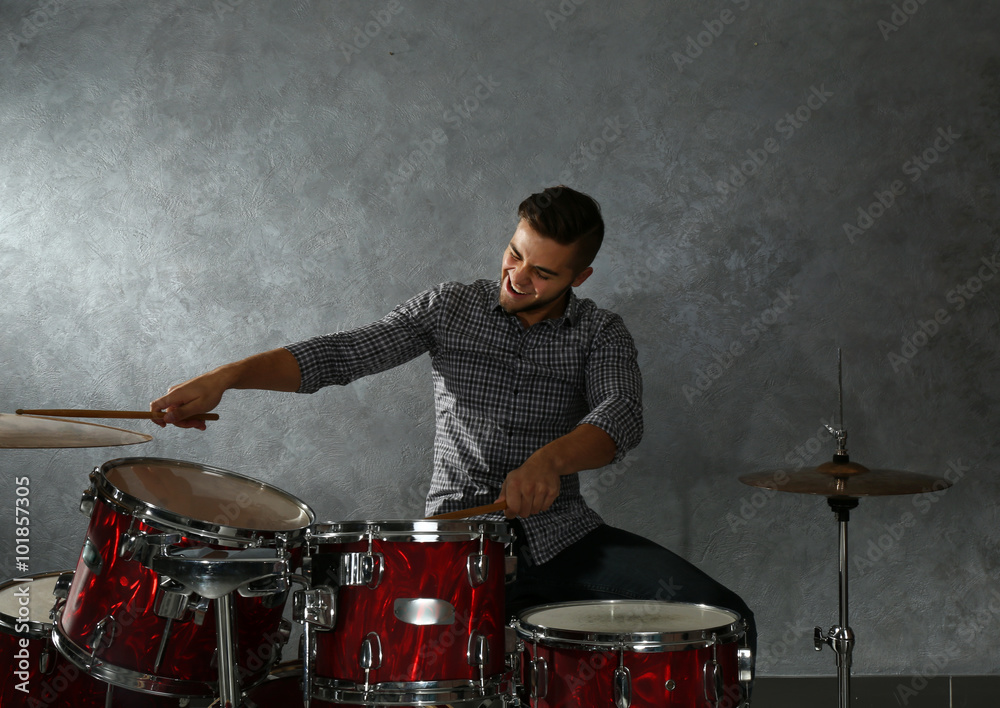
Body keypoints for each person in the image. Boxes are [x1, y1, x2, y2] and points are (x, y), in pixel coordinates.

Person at [151, 186, 756, 692]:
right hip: (455, 548)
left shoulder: (601, 332)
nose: (517, 277)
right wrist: (227, 378)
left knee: (725, 619)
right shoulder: (449, 307)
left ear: (582, 275)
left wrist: (551, 459)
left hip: (564, 538)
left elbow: (621, 415)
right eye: (514, 255)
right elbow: (343, 354)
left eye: (543, 272)